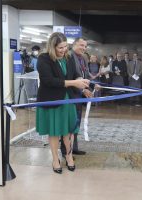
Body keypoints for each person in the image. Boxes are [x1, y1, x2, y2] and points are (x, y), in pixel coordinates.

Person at [36, 32, 90, 174]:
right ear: (52, 47)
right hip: (52, 100)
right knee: (54, 132)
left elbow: (73, 75)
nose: (64, 50)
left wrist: (81, 81)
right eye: (60, 48)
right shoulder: (43, 59)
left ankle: (69, 156)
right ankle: (55, 159)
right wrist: (74, 82)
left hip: (68, 99)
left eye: (65, 47)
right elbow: (49, 81)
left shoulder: (68, 57)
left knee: (69, 131)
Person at [60, 37, 93, 157]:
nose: (83, 48)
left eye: (85, 46)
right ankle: (65, 151)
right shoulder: (69, 57)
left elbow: (83, 75)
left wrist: (93, 84)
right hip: (70, 96)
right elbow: (70, 78)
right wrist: (83, 89)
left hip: (79, 96)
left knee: (76, 123)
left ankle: (74, 148)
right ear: (74, 44)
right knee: (69, 124)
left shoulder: (83, 58)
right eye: (81, 45)